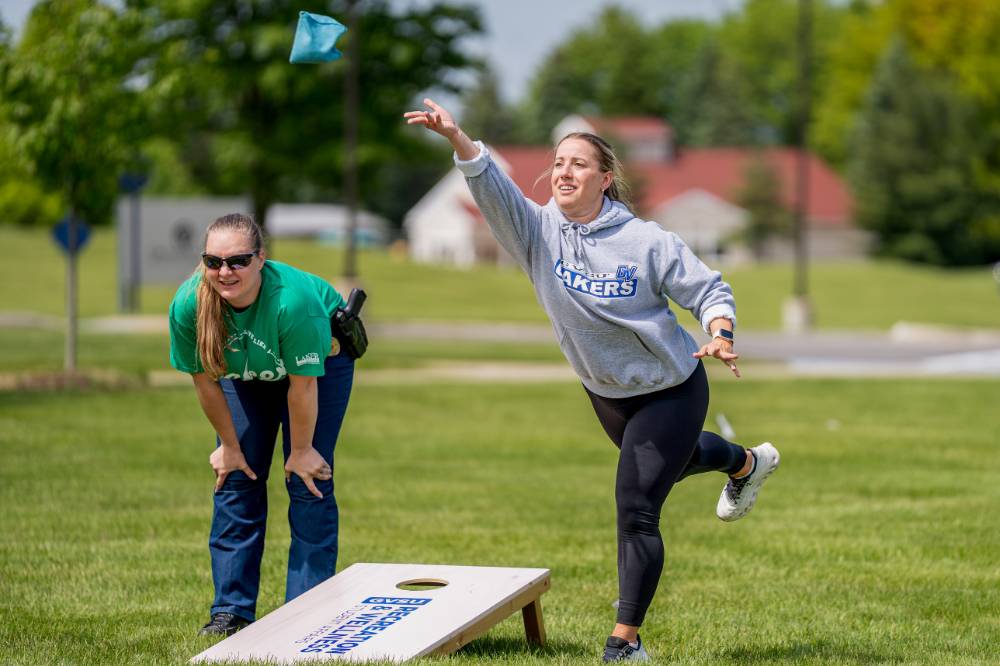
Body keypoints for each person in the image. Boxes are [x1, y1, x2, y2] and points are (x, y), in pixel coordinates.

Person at [404, 99, 780, 661]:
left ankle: (624, 644)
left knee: (636, 505)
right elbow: (490, 186)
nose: (563, 171)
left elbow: (708, 290)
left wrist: (720, 332)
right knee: (666, 467)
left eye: (579, 164)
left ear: (605, 180)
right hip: (606, 394)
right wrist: (456, 136)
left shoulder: (646, 241)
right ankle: (746, 463)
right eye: (558, 162)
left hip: (670, 386)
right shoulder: (535, 232)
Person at [168, 213, 354, 637]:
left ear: (261, 259)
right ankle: (230, 612)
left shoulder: (294, 303)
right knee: (236, 477)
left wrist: (303, 451)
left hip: (322, 362)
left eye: (237, 260)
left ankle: (307, 612)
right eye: (213, 261)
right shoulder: (190, 305)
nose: (224, 272)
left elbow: (303, 388)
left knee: (308, 479)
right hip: (245, 375)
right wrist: (229, 446)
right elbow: (205, 381)